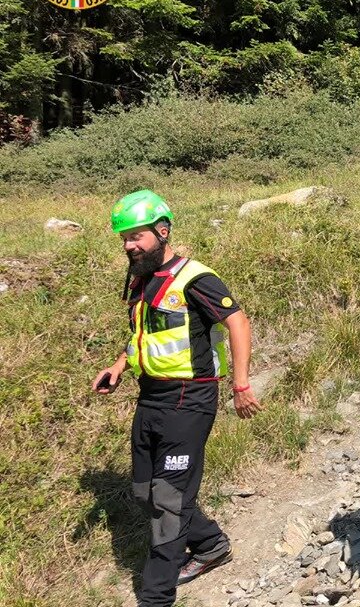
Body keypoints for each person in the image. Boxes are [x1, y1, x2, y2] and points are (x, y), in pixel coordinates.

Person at [92, 189, 262, 607]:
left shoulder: (196, 278)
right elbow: (144, 334)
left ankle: (155, 597)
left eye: (138, 236)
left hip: (191, 399)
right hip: (151, 397)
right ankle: (210, 546)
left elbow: (238, 324)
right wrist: (119, 366)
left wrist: (241, 384)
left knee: (168, 504)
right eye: (124, 238)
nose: (130, 245)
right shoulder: (141, 279)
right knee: (144, 490)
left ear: (162, 231)